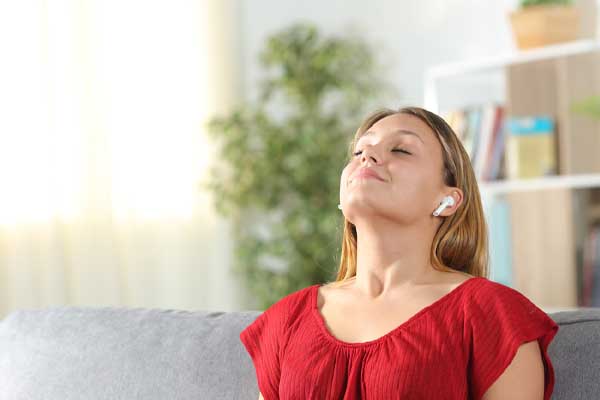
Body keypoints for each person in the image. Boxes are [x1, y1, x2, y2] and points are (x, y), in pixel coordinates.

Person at [239, 106, 559, 400]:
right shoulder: (287, 319)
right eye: (359, 150)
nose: (368, 156)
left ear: (448, 200)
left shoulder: (491, 315)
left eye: (401, 149)